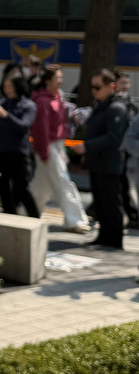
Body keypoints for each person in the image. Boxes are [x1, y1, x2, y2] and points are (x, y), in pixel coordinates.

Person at [73, 69, 129, 249]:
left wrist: (87, 147)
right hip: (98, 162)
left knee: (110, 202)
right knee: (100, 202)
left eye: (97, 87)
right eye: (92, 87)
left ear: (111, 86)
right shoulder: (103, 105)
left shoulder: (116, 108)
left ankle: (114, 240)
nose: (94, 91)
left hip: (109, 163)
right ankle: (104, 236)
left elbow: (114, 137)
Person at [29, 65, 89, 232]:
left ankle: (30, 213)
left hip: (55, 146)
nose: (61, 80)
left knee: (42, 185)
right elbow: (41, 129)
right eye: (58, 78)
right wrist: (44, 152)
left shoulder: (56, 97)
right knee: (63, 182)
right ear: (48, 81)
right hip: (48, 147)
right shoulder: (42, 101)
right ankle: (75, 220)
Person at [0, 73, 40, 217]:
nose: (8, 90)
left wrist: (7, 116)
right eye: (5, 87)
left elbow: (23, 125)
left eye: (10, 86)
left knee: (21, 188)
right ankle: (9, 217)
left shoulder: (28, 105)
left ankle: (34, 218)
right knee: (2, 188)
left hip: (18, 153)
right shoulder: (2, 104)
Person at [114, 71, 139, 229]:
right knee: (119, 184)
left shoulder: (131, 104)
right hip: (115, 149)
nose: (125, 86)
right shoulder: (109, 103)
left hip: (126, 152)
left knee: (123, 184)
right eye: (122, 83)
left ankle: (131, 214)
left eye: (127, 83)